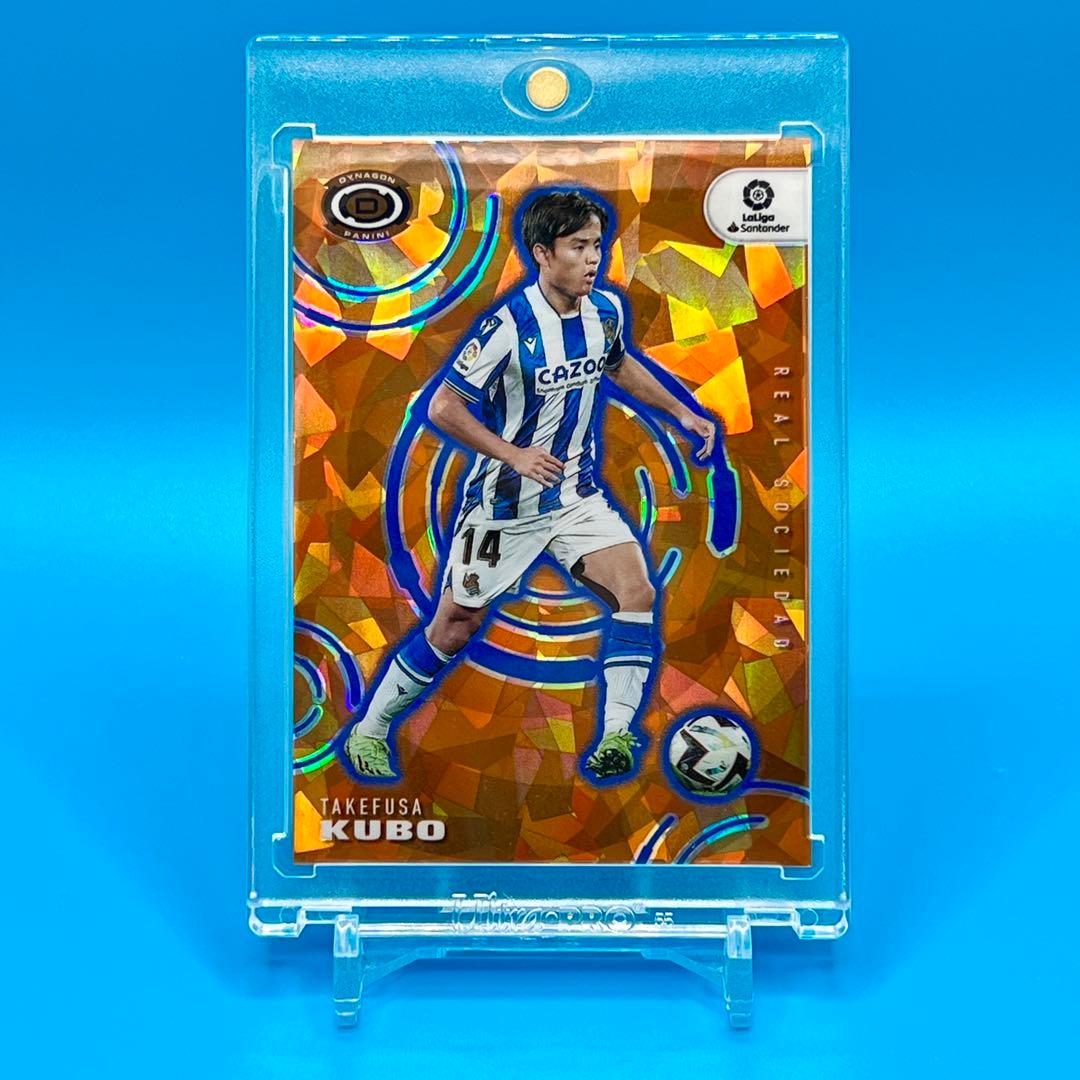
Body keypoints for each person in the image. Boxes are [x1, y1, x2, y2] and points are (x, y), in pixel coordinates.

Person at [344, 189, 717, 783]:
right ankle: (369, 729)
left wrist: (682, 412)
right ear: (542, 253)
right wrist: (513, 454)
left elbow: (618, 362)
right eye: (578, 247)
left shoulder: (604, 311)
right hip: (503, 508)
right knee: (454, 625)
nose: (593, 259)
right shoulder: (507, 327)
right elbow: (442, 407)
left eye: (597, 245)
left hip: (576, 497)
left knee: (637, 591)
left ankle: (616, 734)